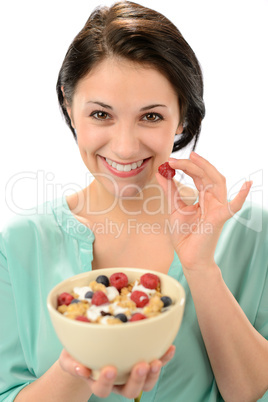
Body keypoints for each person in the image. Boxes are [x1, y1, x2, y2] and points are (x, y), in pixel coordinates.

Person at [0, 1, 267, 401]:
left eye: (152, 117)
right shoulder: (21, 243)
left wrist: (201, 267)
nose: (124, 148)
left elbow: (252, 393)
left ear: (181, 118)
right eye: (101, 115)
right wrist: (79, 365)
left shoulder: (245, 230)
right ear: (70, 108)